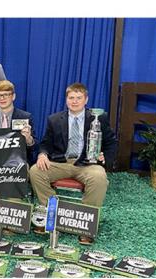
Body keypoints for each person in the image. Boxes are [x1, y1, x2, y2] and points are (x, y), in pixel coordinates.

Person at [29, 82, 118, 244]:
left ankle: (85, 224)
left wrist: (106, 157)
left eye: (79, 98)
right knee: (35, 171)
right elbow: (46, 143)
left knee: (99, 177)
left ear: (86, 99)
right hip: (61, 162)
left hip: (87, 163)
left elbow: (111, 142)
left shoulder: (99, 118)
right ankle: (51, 214)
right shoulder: (54, 119)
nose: (75, 101)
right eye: (71, 98)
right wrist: (42, 154)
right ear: (66, 100)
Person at [0, 80, 35, 163]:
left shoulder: (25, 117)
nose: (2, 98)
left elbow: (33, 148)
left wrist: (28, 139)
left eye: (6, 94)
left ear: (13, 96)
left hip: (18, 161)